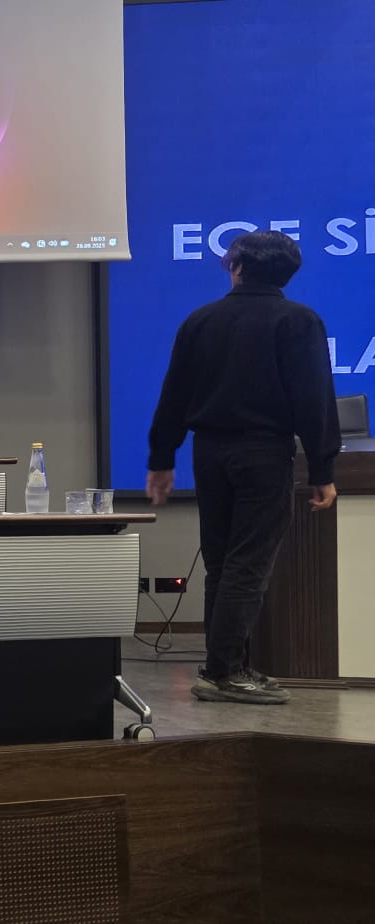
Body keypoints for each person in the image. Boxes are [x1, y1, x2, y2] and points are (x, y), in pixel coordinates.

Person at [147, 229, 339, 706]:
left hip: (209, 453)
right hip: (263, 454)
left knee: (221, 564)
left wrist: (161, 458)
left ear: (235, 266)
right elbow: (314, 400)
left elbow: (174, 396)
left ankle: (224, 664)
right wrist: (322, 469)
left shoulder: (200, 320)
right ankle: (224, 672)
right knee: (248, 566)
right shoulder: (299, 321)